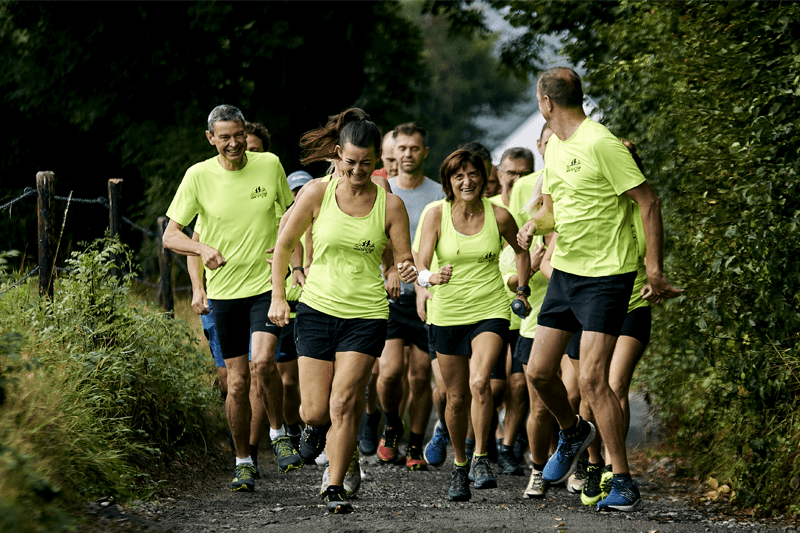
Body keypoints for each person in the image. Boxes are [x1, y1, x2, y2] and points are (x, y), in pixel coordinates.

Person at [517, 67, 683, 512]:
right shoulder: (554, 147)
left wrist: (653, 270)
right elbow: (559, 211)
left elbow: (649, 202)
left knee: (593, 379)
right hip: (566, 273)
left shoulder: (601, 143)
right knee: (538, 372)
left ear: (546, 101)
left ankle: (623, 481)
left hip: (607, 275)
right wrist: (536, 223)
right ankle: (573, 432)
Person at [268, 108, 417, 514]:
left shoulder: (391, 206)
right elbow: (283, 245)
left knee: (345, 399)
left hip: (366, 313)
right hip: (317, 308)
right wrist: (278, 297)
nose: (357, 171)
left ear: (377, 162)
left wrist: (405, 268)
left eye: (366, 164)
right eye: (350, 162)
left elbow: (404, 259)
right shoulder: (316, 193)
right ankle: (330, 440)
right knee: (314, 410)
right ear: (337, 153)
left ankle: (333, 485)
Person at [164, 105, 302, 494]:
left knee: (263, 362)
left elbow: (292, 214)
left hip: (264, 286)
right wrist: (200, 247)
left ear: (246, 133)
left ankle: (278, 433)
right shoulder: (197, 176)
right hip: (224, 293)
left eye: (238, 134)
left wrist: (288, 252)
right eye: (224, 137)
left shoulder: (269, 164)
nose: (233, 143)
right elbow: (170, 235)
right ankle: (242, 461)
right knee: (237, 383)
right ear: (211, 139)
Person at [417, 149, 531, 502]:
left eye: (473, 174)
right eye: (458, 176)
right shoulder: (436, 215)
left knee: (480, 382)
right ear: (449, 183)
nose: (467, 182)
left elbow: (522, 251)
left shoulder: (499, 215)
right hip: (447, 314)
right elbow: (421, 263)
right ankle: (460, 464)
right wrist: (432, 277)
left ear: (484, 177)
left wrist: (523, 289)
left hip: (490, 310)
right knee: (454, 398)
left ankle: (482, 457)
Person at [372, 122, 446, 470]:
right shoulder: (382, 191)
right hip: (390, 292)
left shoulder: (438, 194)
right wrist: (389, 269)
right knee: (388, 372)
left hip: (425, 292)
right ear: (393, 151)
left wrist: (427, 282)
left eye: (414, 148)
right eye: (402, 148)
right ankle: (391, 425)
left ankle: (416, 443)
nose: (407, 154)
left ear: (424, 153)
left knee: (419, 376)